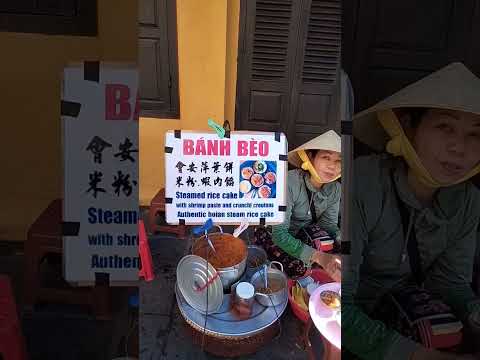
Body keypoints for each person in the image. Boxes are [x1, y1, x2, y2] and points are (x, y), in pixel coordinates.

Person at [344, 62, 480, 360]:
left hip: (415, 309)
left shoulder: (469, 200)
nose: (460, 147)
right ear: (407, 127)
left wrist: (474, 315)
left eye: (475, 135)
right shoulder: (363, 183)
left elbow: (451, 281)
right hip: (361, 325)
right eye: (445, 127)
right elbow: (339, 302)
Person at [254, 130, 342, 281]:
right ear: (310, 157)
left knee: (334, 250)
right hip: (275, 234)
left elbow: (328, 225)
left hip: (303, 233)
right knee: (299, 268)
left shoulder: (335, 189)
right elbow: (280, 234)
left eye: (339, 160)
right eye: (326, 157)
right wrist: (319, 257)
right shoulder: (290, 183)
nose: (332, 166)